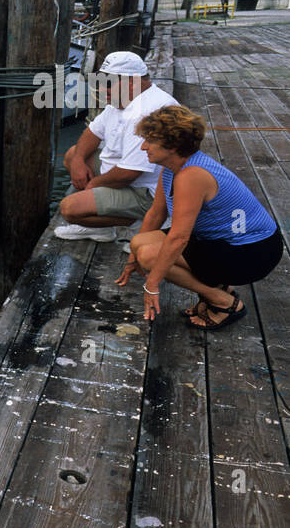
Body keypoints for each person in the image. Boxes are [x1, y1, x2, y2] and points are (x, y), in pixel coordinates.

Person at [117, 104, 283, 329]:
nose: (144, 146)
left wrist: (152, 284)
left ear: (173, 145)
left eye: (150, 140)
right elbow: (156, 213)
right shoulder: (171, 168)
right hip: (223, 241)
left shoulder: (192, 175)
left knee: (150, 256)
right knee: (139, 244)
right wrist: (131, 260)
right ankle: (220, 288)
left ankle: (223, 302)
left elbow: (179, 238)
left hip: (253, 251)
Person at [57, 50, 178, 242]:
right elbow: (92, 133)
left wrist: (92, 185)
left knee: (69, 208)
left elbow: (130, 173)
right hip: (122, 175)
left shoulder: (147, 112)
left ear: (132, 82)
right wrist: (79, 161)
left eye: (109, 82)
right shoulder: (121, 100)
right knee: (73, 155)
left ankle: (142, 221)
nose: (103, 88)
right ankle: (102, 229)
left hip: (146, 191)